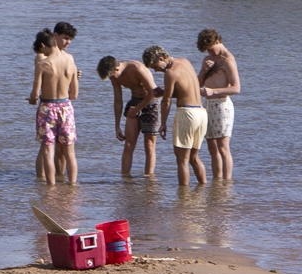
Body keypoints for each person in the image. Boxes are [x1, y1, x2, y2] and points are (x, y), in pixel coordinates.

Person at [97, 51, 162, 177]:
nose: (112, 79)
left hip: (152, 102)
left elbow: (153, 93)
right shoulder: (114, 75)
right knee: (128, 144)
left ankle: (149, 179)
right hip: (135, 102)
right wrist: (117, 126)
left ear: (117, 68)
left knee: (149, 145)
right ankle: (125, 179)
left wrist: (137, 109)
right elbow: (118, 100)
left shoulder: (136, 69)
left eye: (112, 76)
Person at [151, 45, 208, 187]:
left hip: (187, 114)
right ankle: (204, 189)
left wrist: (162, 123)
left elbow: (167, 101)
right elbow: (186, 91)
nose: (155, 70)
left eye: (155, 66)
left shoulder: (170, 73)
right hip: (201, 112)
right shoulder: (185, 62)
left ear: (161, 58)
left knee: (182, 160)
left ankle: (183, 199)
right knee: (194, 158)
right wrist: (164, 92)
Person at [29, 27, 78, 184]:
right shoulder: (70, 62)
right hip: (66, 107)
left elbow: (35, 93)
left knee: (48, 151)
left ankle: (50, 188)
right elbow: (74, 95)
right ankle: (72, 185)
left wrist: (32, 100)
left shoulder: (42, 64)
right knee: (70, 152)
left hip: (47, 108)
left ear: (44, 45)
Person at [197, 27, 240, 183]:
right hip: (207, 105)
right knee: (211, 148)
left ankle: (226, 183)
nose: (209, 52)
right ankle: (217, 182)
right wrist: (203, 71)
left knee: (223, 147)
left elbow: (236, 88)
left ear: (217, 41)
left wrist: (213, 91)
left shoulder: (228, 60)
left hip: (222, 105)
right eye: (206, 50)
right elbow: (197, 84)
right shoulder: (207, 60)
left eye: (210, 48)